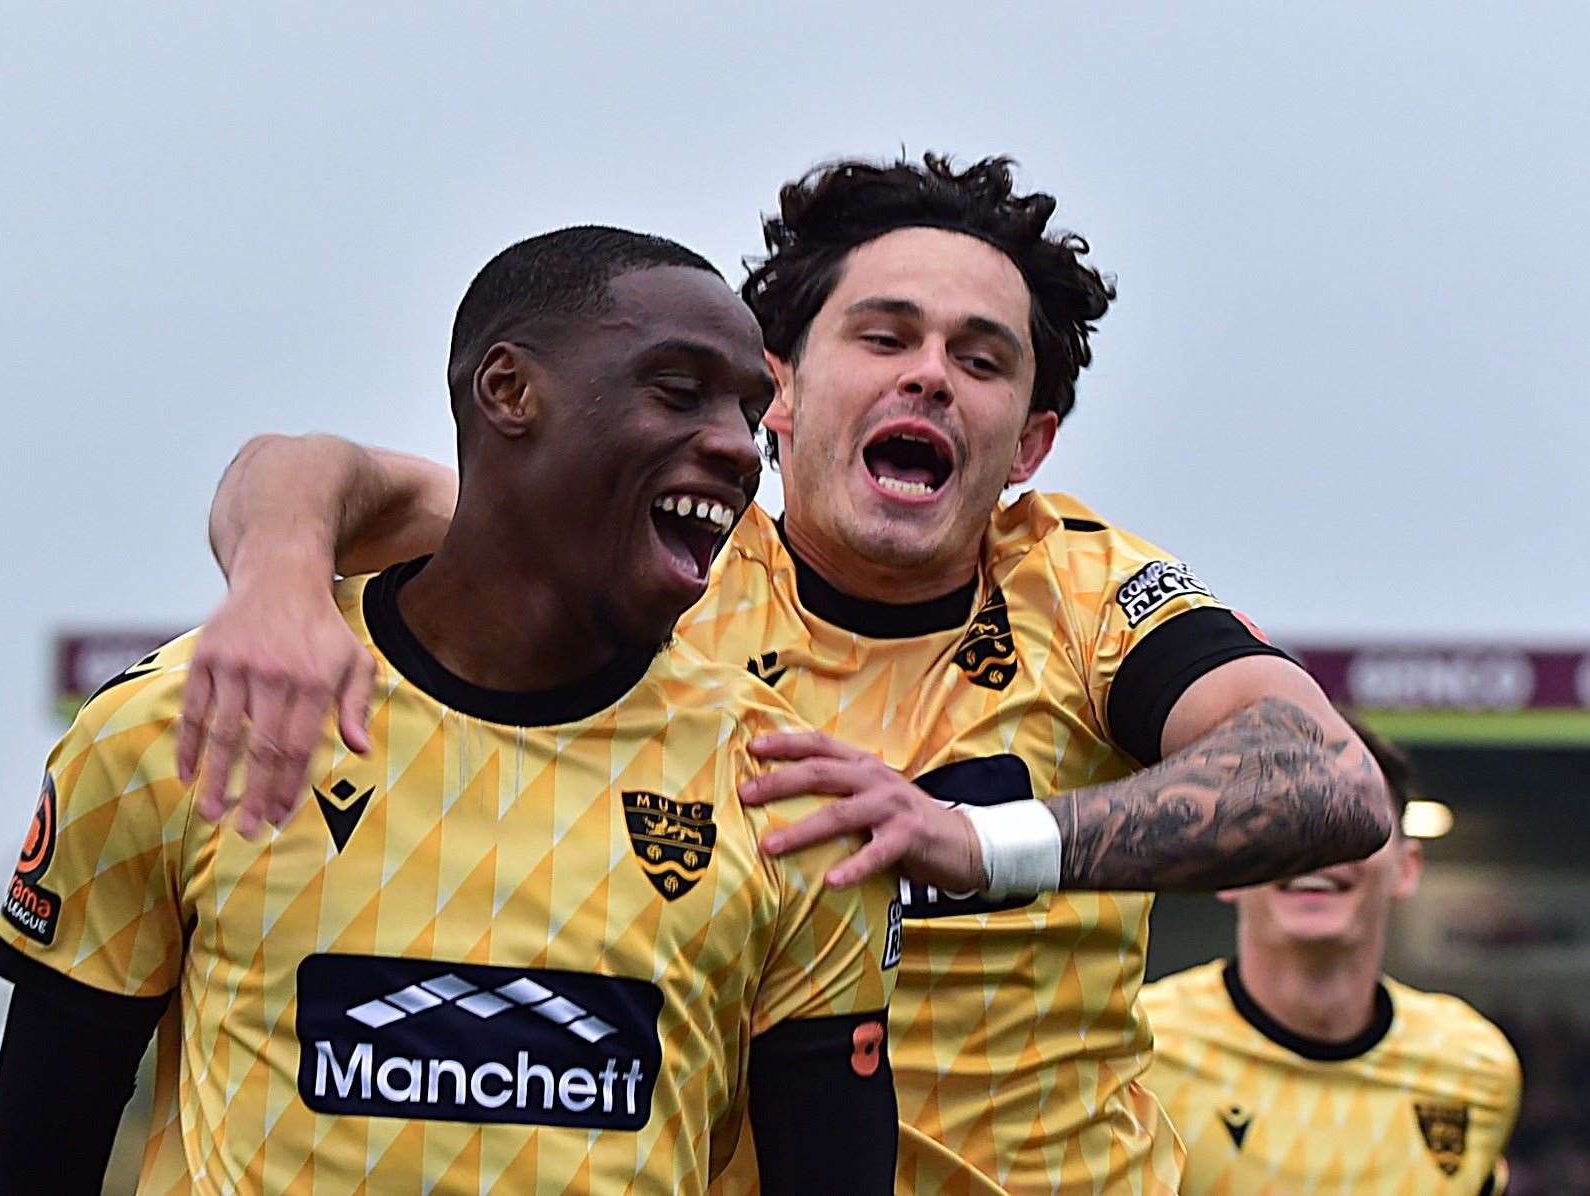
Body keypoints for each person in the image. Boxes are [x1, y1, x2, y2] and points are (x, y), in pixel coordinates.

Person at [181, 155, 1392, 1194]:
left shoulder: (1081, 594)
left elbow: (1329, 781)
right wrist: (278, 580)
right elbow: (306, 469)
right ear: (783, 392)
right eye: (883, 335)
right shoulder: (665, 556)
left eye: (980, 360)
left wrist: (981, 844)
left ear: (1027, 441)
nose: (927, 374)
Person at [0, 226, 902, 1195]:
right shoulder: (186, 723)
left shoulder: (791, 796)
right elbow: (34, 1162)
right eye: (675, 391)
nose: (732, 443)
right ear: (507, 391)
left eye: (746, 410)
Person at [1141, 718, 1522, 1194]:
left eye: (1354, 818)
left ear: (1407, 868)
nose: (1318, 849)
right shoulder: (1136, 1052)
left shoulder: (1478, 1066)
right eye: (1283, 819)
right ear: (1229, 864)